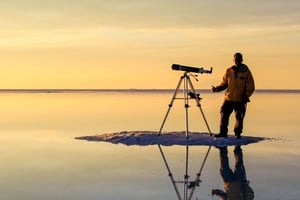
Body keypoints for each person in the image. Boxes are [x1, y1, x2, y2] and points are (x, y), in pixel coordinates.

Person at [212, 52, 255, 139]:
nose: (236, 60)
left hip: (240, 100)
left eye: (238, 59)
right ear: (233, 60)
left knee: (239, 118)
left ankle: (237, 134)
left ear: (241, 60)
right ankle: (223, 133)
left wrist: (246, 96)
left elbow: (251, 86)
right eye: (235, 59)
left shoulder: (246, 72)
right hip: (229, 98)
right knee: (223, 113)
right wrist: (217, 89)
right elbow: (224, 84)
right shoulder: (229, 70)